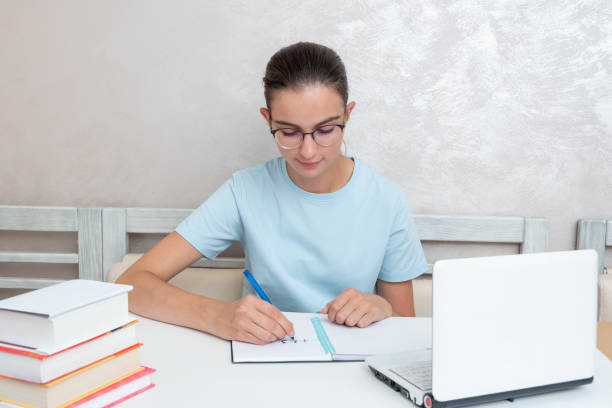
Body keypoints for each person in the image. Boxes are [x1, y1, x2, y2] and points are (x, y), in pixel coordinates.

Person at [116, 42, 428, 345]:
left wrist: (383, 307)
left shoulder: (387, 200)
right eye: (288, 132)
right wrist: (216, 316)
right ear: (268, 120)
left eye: (325, 130)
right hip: (264, 365)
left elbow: (404, 324)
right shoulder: (246, 190)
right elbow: (131, 284)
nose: (308, 151)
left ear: (347, 115)